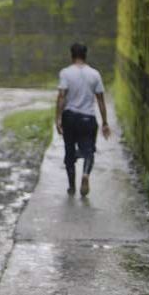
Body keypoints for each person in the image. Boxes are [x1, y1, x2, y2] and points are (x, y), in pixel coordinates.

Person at [55, 43, 111, 196]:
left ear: (71, 55)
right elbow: (100, 100)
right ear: (85, 55)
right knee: (89, 151)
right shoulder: (95, 74)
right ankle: (85, 174)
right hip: (88, 118)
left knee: (69, 151)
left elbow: (61, 97)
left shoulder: (66, 73)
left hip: (70, 117)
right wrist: (105, 122)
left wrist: (58, 119)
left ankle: (72, 186)